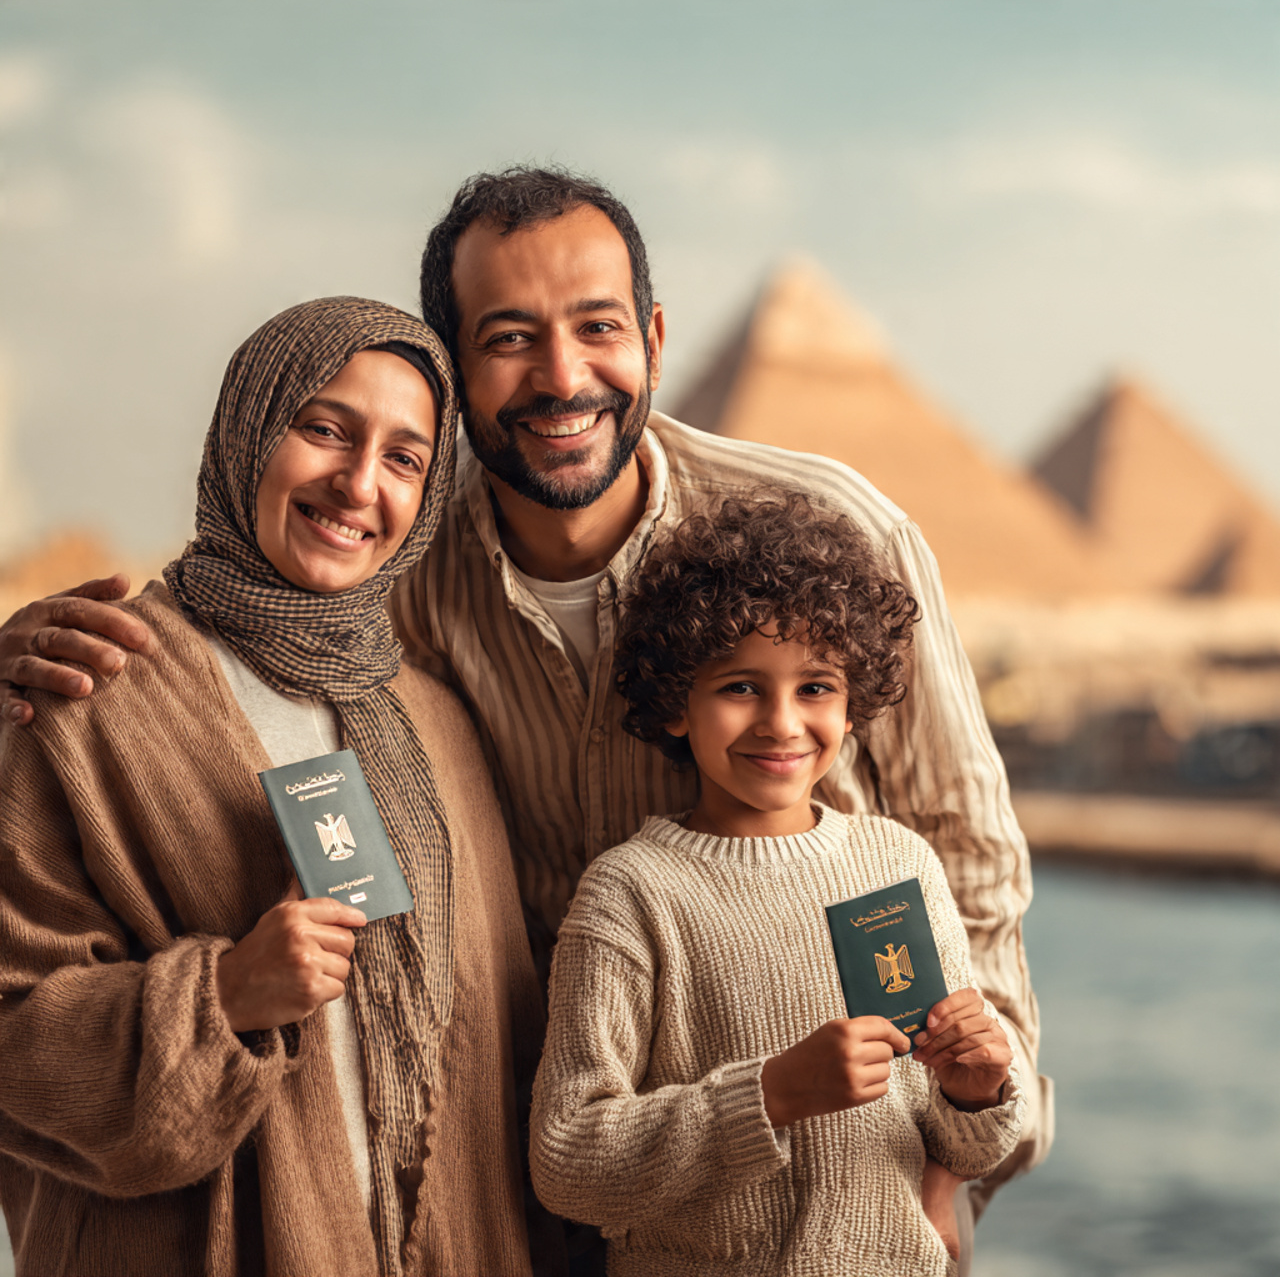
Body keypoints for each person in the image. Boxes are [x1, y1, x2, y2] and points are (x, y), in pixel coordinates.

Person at [0, 166, 1051, 1256]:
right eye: (508, 338)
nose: (561, 376)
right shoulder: (389, 586)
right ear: (456, 371)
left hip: (847, 1203)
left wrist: (956, 1163)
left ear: (651, 334)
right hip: (568, 1193)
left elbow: (965, 864)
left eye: (595, 326)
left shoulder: (830, 532)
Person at [0, 298, 549, 1277]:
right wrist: (223, 994)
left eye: (404, 458)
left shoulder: (439, 728)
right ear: (250, 428)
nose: (357, 483)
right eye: (325, 428)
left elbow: (499, 1060)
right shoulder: (92, 687)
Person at [530, 491, 1024, 1277]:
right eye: (740, 687)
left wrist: (978, 1091)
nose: (782, 723)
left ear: (855, 700)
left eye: (816, 687)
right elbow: (569, 1163)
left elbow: (969, 1142)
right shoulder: (631, 894)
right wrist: (769, 1094)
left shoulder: (901, 867)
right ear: (674, 704)